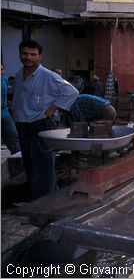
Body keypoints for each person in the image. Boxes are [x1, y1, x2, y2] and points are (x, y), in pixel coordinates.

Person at [11, 40, 79, 200]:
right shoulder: (20, 75)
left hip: (41, 125)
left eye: (33, 54)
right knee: (30, 165)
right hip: (23, 126)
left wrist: (53, 108)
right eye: (25, 54)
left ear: (39, 56)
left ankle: (43, 205)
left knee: (43, 167)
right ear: (20, 54)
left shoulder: (48, 76)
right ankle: (44, 200)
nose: (28, 57)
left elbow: (72, 91)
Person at [1, 64, 20, 154]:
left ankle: (17, 155)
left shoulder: (4, 80)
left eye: (1, 69)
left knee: (13, 134)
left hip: (4, 112)